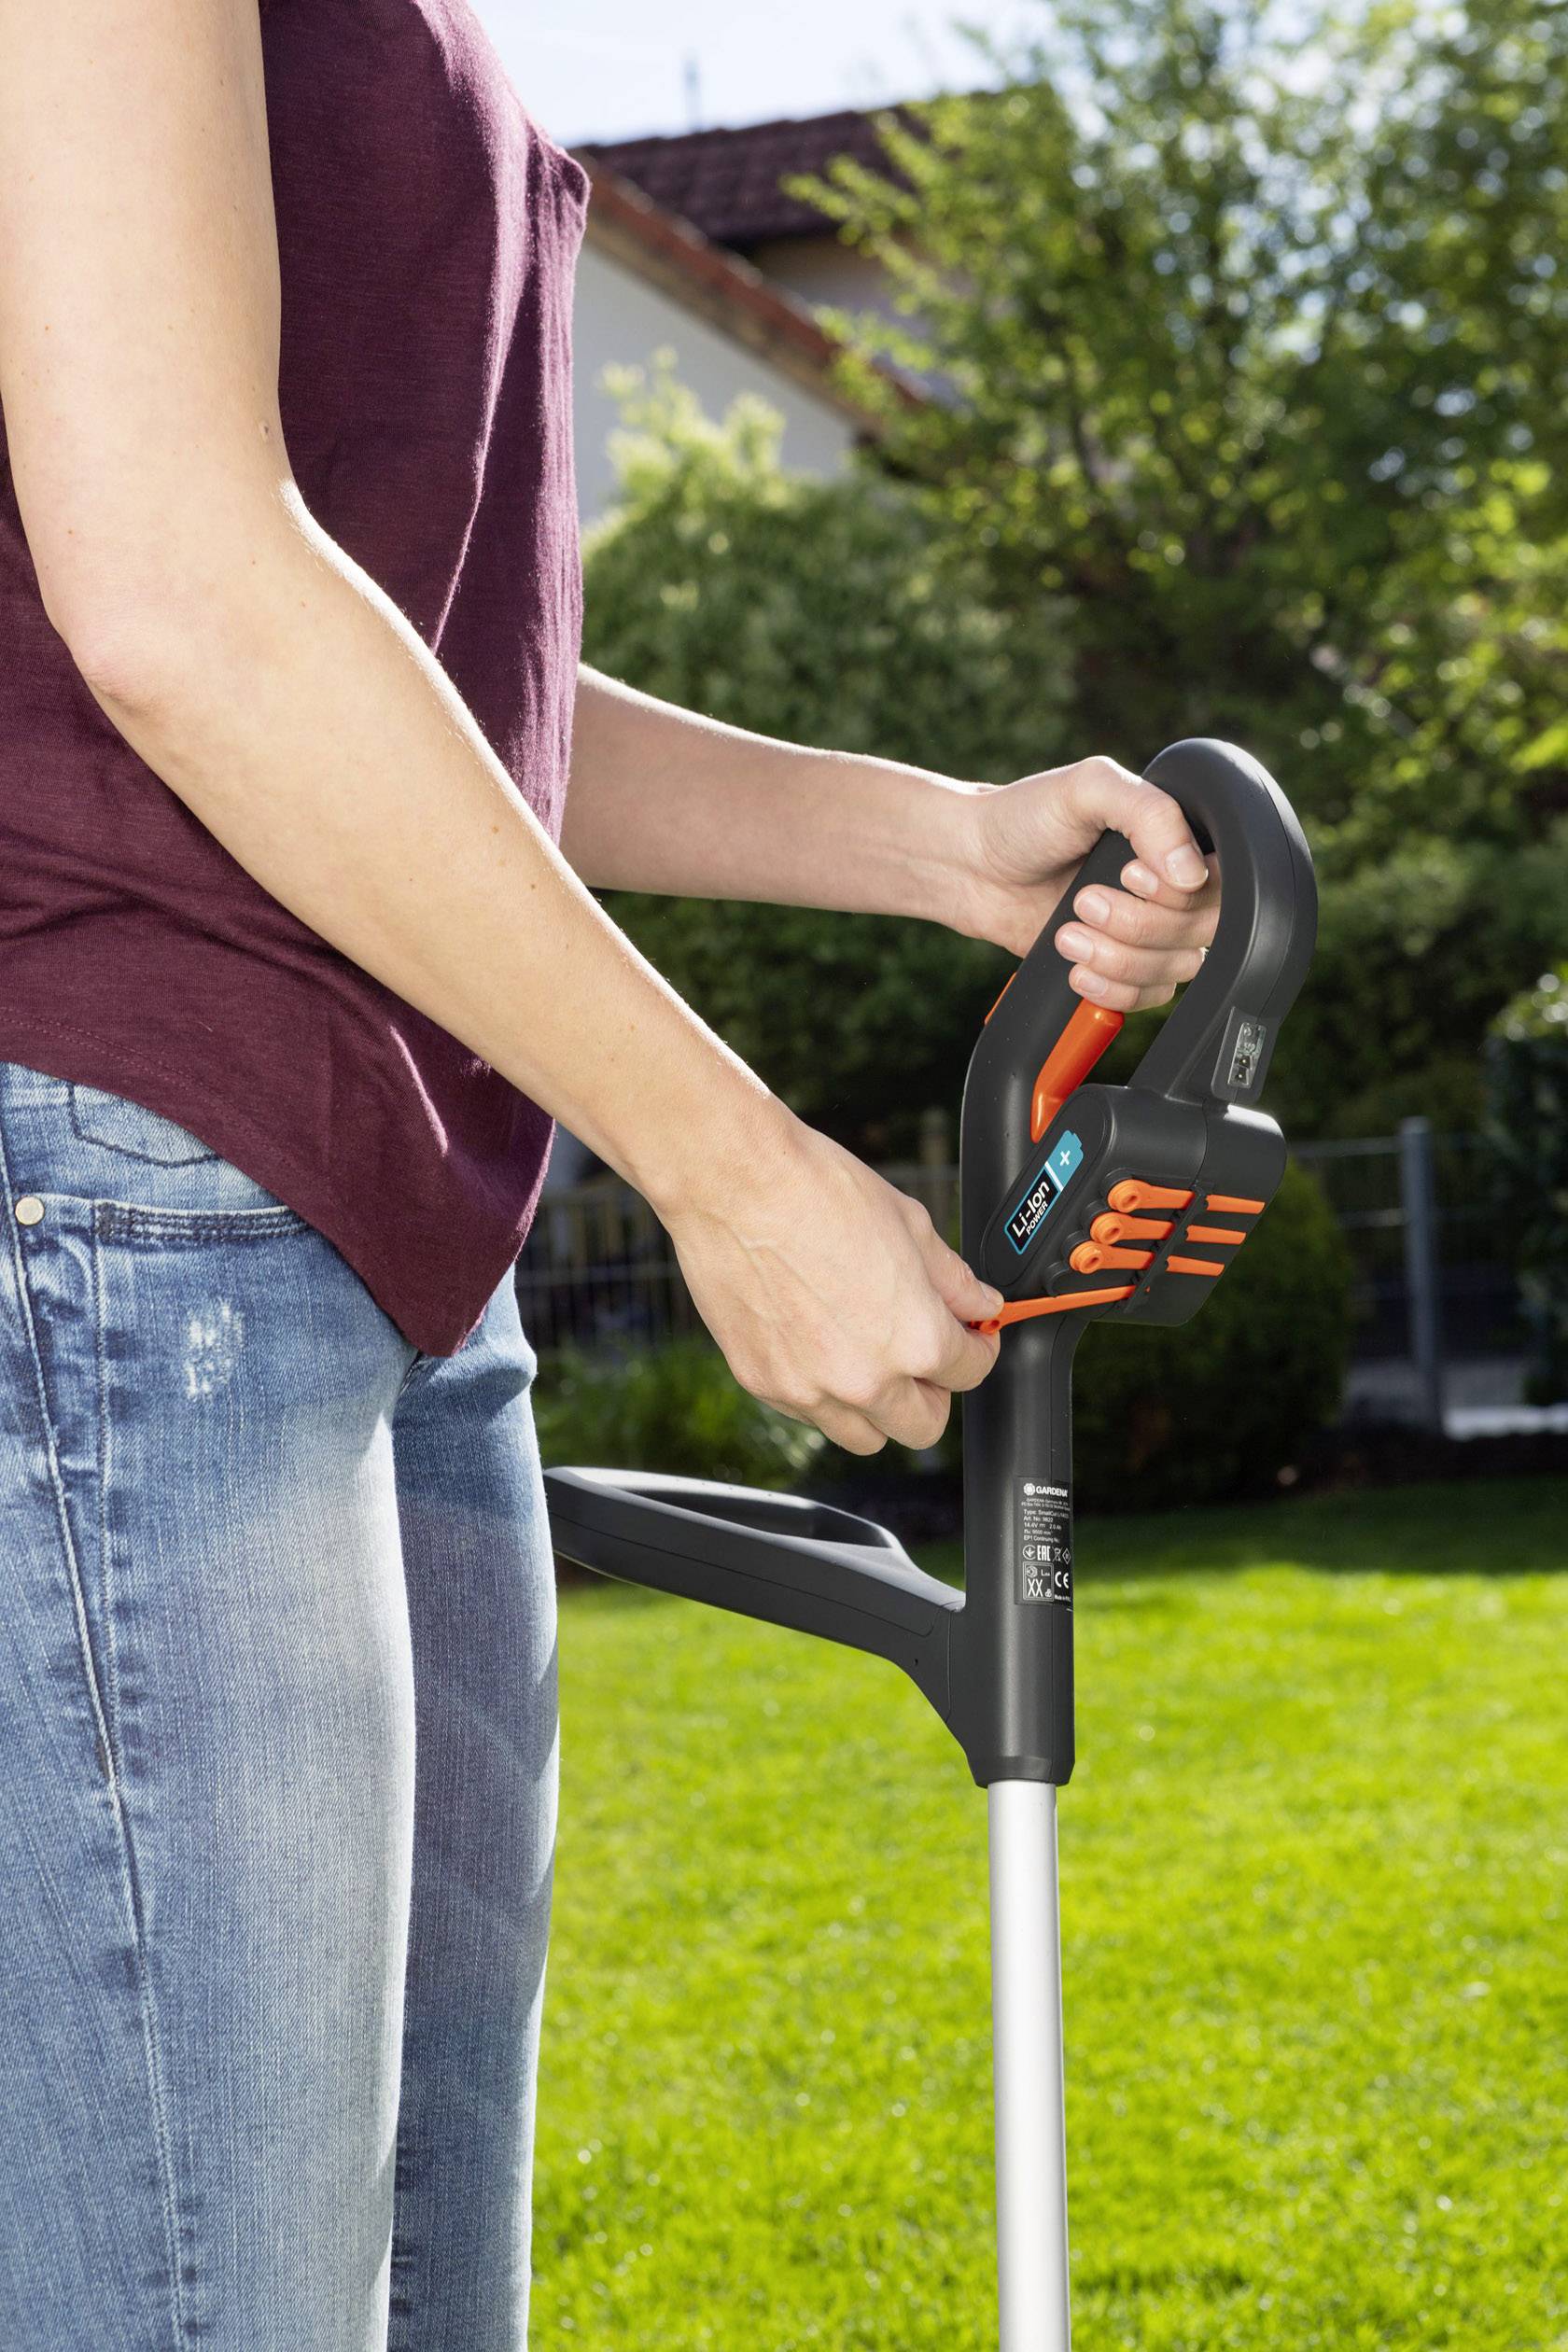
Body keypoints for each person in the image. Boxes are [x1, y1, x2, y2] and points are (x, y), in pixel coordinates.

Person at [0, 5, 1218, 2346]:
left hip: (377, 1240)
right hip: (123, 1207)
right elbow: (176, 594)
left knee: (420, 2305)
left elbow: (438, 662)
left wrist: (936, 842)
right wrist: (732, 1163)